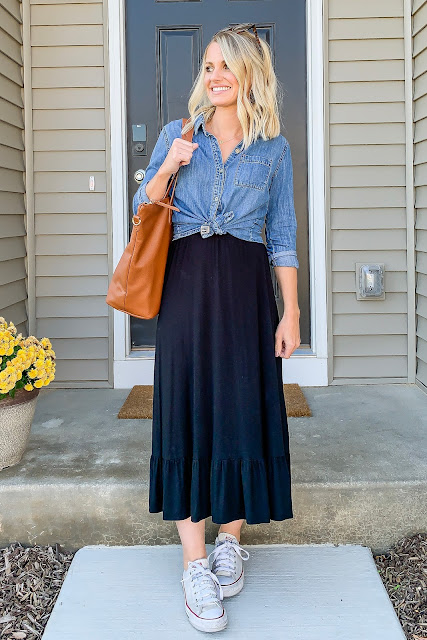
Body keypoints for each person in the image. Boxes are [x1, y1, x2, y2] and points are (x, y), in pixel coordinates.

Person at [133, 23, 300, 634]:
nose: (216, 76)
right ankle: (194, 560)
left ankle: (231, 537)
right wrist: (168, 167)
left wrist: (292, 311)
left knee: (241, 408)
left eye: (227, 66)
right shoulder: (180, 137)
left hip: (246, 292)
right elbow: (141, 208)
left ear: (251, 73)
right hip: (187, 289)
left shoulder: (274, 149)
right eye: (208, 67)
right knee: (186, 410)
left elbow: (281, 235)